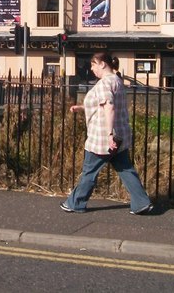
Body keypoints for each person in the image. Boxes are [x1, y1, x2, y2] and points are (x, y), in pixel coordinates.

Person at [60, 52, 153, 215]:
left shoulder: (104, 83)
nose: (92, 68)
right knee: (126, 169)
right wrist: (82, 107)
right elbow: (104, 103)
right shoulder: (117, 80)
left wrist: (110, 135)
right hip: (120, 135)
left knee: (89, 171)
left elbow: (109, 105)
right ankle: (141, 202)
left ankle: (75, 203)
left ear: (102, 64)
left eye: (93, 64)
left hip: (102, 138)